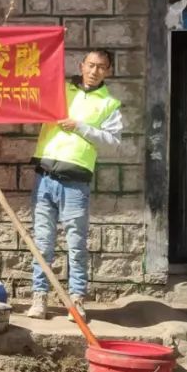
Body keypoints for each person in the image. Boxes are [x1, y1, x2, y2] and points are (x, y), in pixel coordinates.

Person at [26, 50, 123, 322]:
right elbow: (32, 93)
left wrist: (80, 127)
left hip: (75, 182)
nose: (94, 71)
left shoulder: (109, 104)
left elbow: (113, 142)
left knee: (76, 244)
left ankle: (77, 299)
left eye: (101, 67)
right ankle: (39, 296)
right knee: (42, 243)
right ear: (81, 66)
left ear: (108, 71)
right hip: (45, 176)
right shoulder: (59, 91)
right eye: (90, 65)